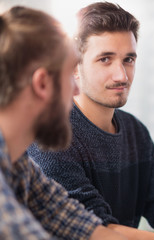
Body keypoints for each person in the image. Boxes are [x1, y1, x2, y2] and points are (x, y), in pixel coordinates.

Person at [28, 2, 154, 239]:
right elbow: (95, 231)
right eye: (105, 59)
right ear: (75, 66)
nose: (122, 75)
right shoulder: (53, 135)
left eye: (128, 59)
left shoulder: (134, 131)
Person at [0, 5, 130, 239]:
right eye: (70, 74)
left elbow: (80, 225)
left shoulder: (16, 162)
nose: (76, 88)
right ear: (42, 83)